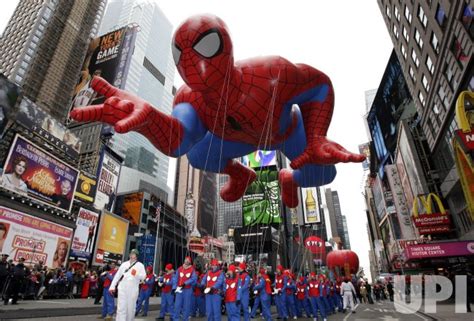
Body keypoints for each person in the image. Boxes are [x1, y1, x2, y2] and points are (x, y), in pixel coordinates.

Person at [109, 249, 146, 321]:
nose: (132, 256)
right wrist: (112, 286)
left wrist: (136, 274)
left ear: (136, 256)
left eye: (134, 254)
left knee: (130, 308)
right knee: (121, 308)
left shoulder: (140, 265)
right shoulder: (124, 264)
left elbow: (143, 277)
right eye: (131, 254)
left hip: (133, 289)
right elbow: (117, 276)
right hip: (122, 287)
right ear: (129, 255)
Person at [172, 256, 197, 321]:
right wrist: (174, 287)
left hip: (187, 290)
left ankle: (185, 319)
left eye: (188, 260)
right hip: (179, 289)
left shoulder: (192, 269)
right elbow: (175, 278)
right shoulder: (180, 268)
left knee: (186, 306)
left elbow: (194, 278)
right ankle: (175, 319)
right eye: (186, 260)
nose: (186, 261)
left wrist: (185, 283)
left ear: (190, 262)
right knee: (177, 305)